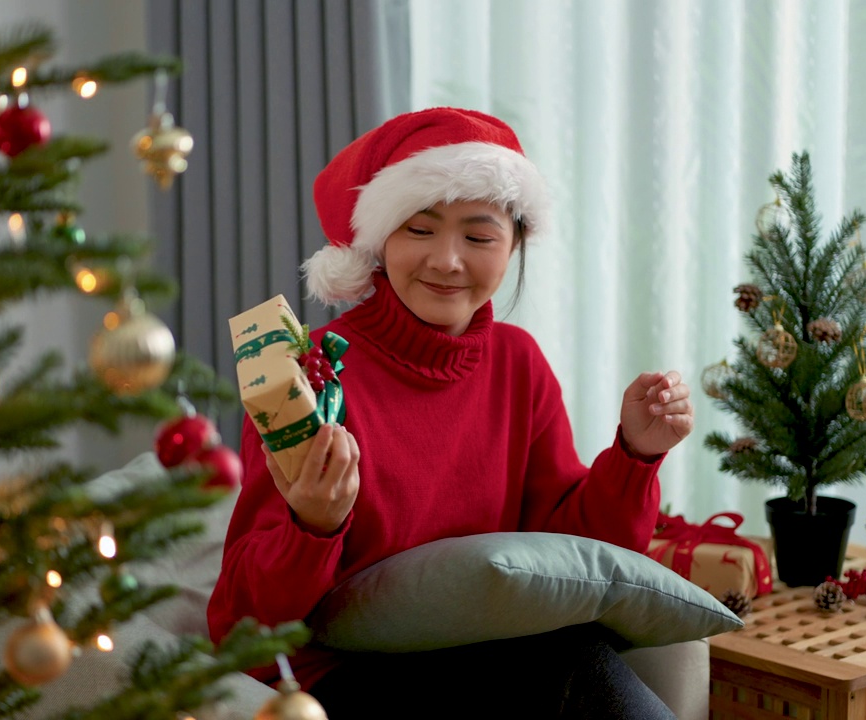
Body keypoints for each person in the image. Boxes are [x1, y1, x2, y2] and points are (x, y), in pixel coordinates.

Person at [207, 107, 695, 718]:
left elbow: (575, 558)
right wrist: (313, 525)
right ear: (379, 241)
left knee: (578, 656)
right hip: (349, 674)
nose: (447, 260)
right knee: (569, 668)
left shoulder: (518, 363)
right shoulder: (315, 373)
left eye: (479, 235)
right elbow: (240, 622)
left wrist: (635, 454)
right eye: (419, 229)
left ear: (514, 244)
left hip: (498, 653)